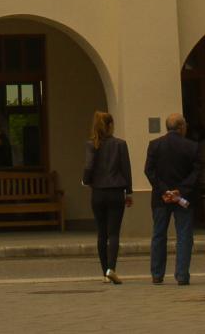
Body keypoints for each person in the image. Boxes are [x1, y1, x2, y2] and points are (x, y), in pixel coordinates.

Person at [143, 111, 201, 285]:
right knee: (184, 236)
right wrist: (180, 191)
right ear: (181, 127)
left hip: (161, 198)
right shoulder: (192, 146)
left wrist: (164, 190)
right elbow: (196, 172)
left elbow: (149, 170)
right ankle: (182, 275)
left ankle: (157, 274)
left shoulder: (155, 145)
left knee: (159, 235)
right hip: (183, 198)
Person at [81, 110, 133, 284]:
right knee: (114, 233)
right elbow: (126, 169)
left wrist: (86, 180)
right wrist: (129, 192)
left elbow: (88, 166)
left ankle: (104, 273)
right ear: (110, 125)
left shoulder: (92, 144)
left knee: (101, 233)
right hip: (116, 192)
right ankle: (112, 268)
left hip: (98, 192)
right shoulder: (120, 144)